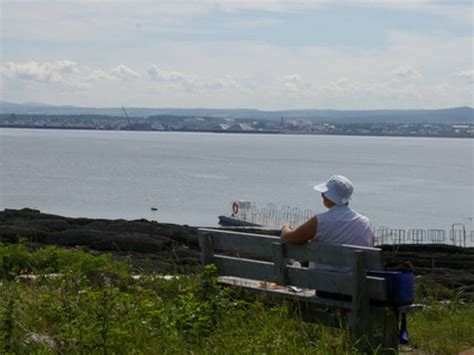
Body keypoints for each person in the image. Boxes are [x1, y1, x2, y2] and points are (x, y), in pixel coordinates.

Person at [281, 175, 373, 247]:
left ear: (328, 197)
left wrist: (285, 227)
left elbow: (290, 238)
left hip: (322, 271)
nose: (322, 196)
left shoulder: (320, 221)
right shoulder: (365, 222)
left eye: (323, 194)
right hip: (354, 271)